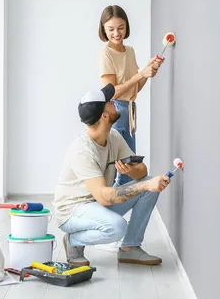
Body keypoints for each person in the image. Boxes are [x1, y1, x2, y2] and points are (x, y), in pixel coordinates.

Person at [53, 83, 171, 266]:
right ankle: (73, 241)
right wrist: (144, 185)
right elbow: (103, 197)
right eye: (109, 102)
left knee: (149, 185)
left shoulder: (113, 136)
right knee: (117, 226)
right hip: (72, 212)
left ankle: (129, 248)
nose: (114, 102)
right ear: (104, 115)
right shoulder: (82, 150)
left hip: (96, 204)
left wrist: (132, 171)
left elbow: (143, 171)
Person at [97, 5, 163, 186]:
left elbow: (134, 88)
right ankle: (109, 207)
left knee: (129, 166)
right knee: (119, 167)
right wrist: (140, 74)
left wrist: (149, 71)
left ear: (126, 27)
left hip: (130, 109)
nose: (116, 33)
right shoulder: (106, 54)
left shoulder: (130, 51)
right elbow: (112, 91)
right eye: (111, 29)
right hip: (116, 110)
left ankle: (117, 208)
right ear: (103, 29)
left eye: (121, 27)